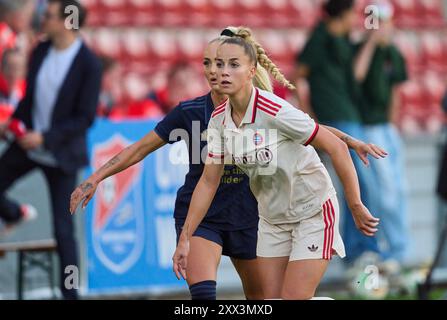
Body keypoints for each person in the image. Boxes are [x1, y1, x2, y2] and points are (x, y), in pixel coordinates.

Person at [70, 28, 385, 300]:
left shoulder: (268, 106)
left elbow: (307, 129)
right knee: (207, 297)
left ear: (247, 70)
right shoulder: (202, 117)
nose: (216, 70)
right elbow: (153, 156)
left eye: (226, 63)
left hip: (265, 212)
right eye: (210, 63)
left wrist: (350, 152)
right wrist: (95, 178)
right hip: (224, 216)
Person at [172, 27, 381, 300]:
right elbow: (209, 182)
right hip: (272, 220)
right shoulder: (218, 121)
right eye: (219, 64)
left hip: (312, 212)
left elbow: (335, 147)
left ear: (250, 71)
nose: (223, 71)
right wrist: (185, 238)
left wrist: (355, 204)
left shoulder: (273, 109)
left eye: (233, 65)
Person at [0, 0, 102, 299]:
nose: (43, 19)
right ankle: (15, 213)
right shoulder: (41, 50)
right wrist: (13, 122)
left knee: (63, 230)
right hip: (29, 146)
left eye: (50, 16)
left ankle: (69, 294)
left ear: (68, 21)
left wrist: (45, 138)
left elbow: (84, 118)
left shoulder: (88, 64)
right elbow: (29, 98)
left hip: (60, 153)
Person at [291, 0, 381, 265]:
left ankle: (361, 250)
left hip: (348, 116)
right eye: (353, 13)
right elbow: (297, 74)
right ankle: (360, 252)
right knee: (358, 187)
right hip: (335, 119)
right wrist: (308, 116)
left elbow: (356, 74)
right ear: (342, 14)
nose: (355, 18)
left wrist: (370, 40)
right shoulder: (321, 38)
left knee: (360, 186)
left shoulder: (338, 40)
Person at [355, 0, 409, 270]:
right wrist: (371, 42)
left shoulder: (393, 53)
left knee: (396, 190)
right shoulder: (361, 49)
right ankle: (387, 249)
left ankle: (398, 251)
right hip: (367, 127)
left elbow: (395, 93)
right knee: (380, 193)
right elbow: (357, 75)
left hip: (385, 129)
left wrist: (391, 126)